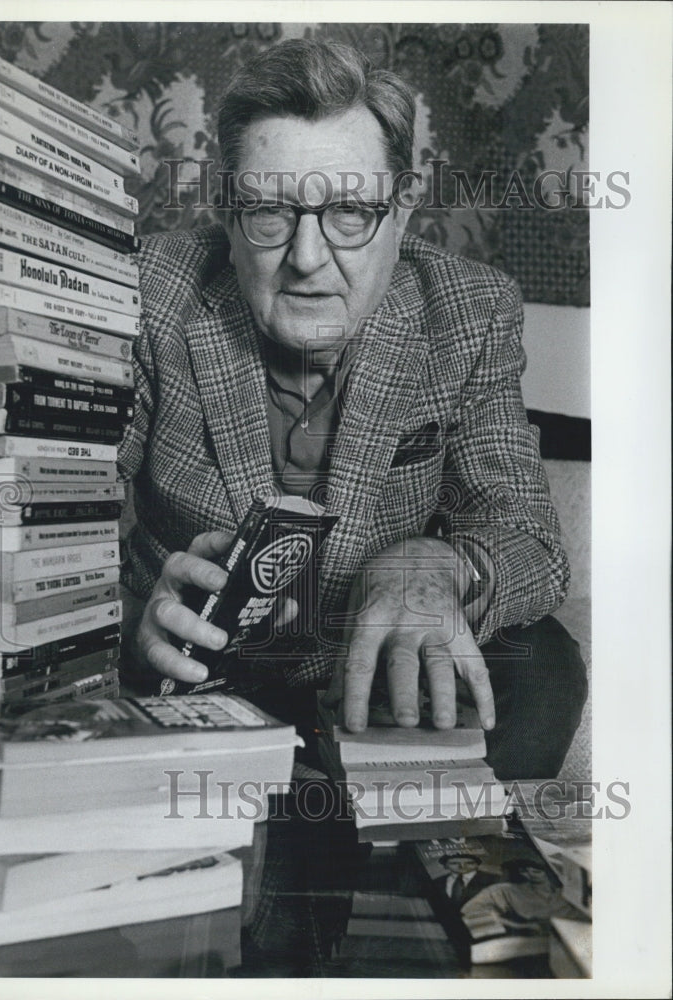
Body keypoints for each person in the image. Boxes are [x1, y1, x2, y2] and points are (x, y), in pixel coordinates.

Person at [117, 38, 587, 780]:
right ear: (226, 211)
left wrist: (434, 564)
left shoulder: (469, 310)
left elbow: (529, 535)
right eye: (270, 212)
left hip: (370, 670)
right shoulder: (150, 293)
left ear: (400, 215)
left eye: (349, 214)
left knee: (543, 664)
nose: (307, 257)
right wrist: (129, 614)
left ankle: (421, 852)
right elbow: (58, 518)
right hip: (194, 664)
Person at [460, 857, 587, 933]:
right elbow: (469, 911)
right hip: (529, 941)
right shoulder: (505, 890)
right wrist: (517, 926)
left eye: (537, 870)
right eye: (524, 871)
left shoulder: (572, 891)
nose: (530, 873)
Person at [432, 853, 498, 909]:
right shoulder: (436, 882)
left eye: (469, 863)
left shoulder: (494, 879)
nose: (462, 866)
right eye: (454, 863)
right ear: (445, 866)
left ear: (477, 865)